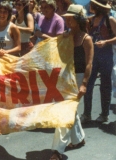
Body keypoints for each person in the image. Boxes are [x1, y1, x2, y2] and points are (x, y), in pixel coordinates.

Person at [50, 4, 94, 160]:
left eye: (71, 19)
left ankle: (57, 151)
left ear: (78, 20)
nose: (68, 21)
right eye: (67, 19)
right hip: (66, 77)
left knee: (66, 111)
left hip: (79, 77)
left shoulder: (86, 39)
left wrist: (84, 84)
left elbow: (89, 64)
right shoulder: (66, 36)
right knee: (71, 110)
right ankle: (78, 138)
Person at [80, 0, 116, 123]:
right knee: (88, 84)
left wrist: (106, 42)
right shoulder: (90, 20)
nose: (89, 6)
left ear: (97, 6)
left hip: (106, 56)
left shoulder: (110, 20)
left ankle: (104, 114)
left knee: (105, 85)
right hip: (92, 55)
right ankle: (86, 113)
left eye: (92, 4)